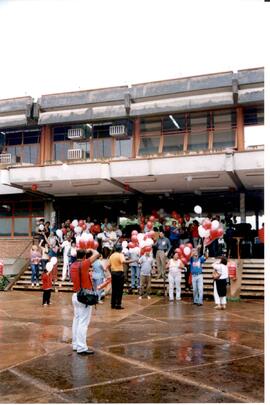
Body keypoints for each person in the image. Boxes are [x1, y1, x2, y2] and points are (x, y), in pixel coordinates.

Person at [70, 248, 99, 355]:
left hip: (75, 294)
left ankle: (75, 344)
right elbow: (97, 254)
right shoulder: (84, 264)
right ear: (84, 257)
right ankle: (81, 347)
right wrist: (91, 249)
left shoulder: (72, 265)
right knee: (83, 322)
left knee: (76, 320)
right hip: (84, 296)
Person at [107, 245, 135, 309]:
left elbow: (108, 266)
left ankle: (113, 304)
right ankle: (118, 305)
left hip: (113, 273)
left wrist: (111, 272)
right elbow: (124, 262)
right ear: (120, 250)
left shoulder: (111, 255)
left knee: (114, 289)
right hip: (119, 273)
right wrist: (133, 261)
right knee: (119, 289)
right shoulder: (120, 255)